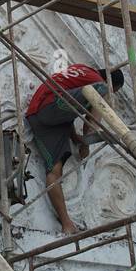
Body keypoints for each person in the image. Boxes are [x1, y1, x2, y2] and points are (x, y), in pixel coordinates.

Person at [24, 62, 124, 236]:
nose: (110, 94)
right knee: (99, 91)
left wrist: (74, 138)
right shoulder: (98, 82)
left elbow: (68, 109)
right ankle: (66, 222)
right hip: (53, 104)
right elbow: (88, 120)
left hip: (38, 115)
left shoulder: (79, 69)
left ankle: (66, 223)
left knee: (54, 171)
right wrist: (85, 142)